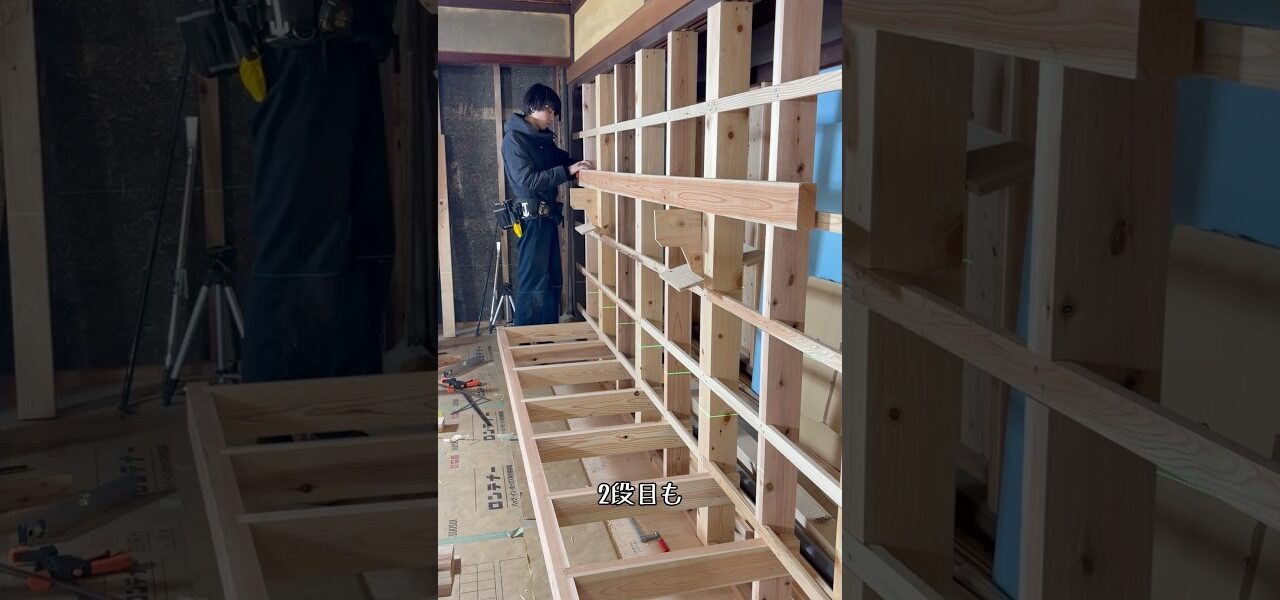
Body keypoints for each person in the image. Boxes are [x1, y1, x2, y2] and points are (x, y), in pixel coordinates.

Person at [240, 3, 398, 383]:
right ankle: (276, 407)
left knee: (365, 244)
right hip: (294, 54)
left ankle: (351, 404)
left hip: (353, 50)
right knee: (295, 247)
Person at [501, 84, 593, 326]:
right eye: (549, 110)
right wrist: (568, 170)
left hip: (547, 218)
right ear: (533, 107)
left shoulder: (541, 139)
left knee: (552, 278)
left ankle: (546, 333)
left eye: (554, 112)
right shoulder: (514, 140)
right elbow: (528, 180)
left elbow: (559, 160)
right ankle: (526, 337)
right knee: (534, 280)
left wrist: (580, 165)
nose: (552, 116)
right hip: (531, 220)